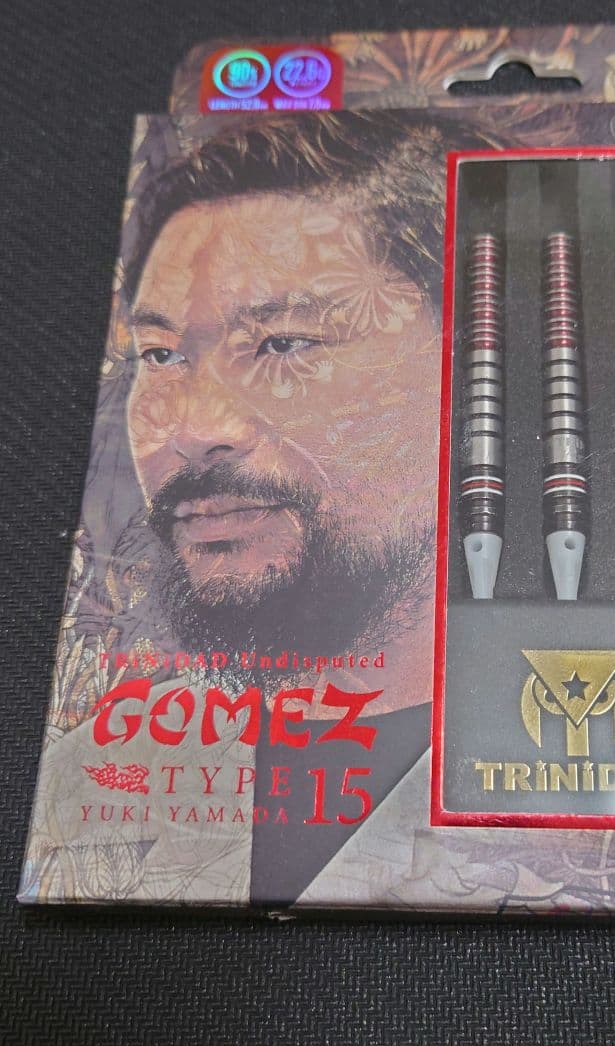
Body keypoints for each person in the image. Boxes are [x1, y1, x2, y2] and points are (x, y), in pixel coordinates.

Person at [120, 111, 484, 710]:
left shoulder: (597, 734)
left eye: (285, 344)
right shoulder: (105, 759)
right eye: (161, 354)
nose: (193, 430)